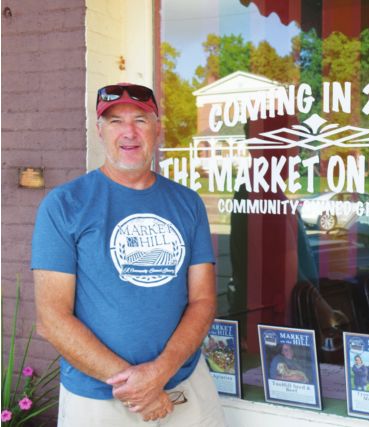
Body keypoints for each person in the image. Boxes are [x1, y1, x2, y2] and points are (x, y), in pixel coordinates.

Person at [31, 83, 227, 426]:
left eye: (140, 119)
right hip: (98, 398)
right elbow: (51, 319)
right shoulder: (64, 205)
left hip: (185, 386)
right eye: (115, 121)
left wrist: (158, 374)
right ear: (100, 130)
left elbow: (203, 301)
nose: (129, 132)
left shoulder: (188, 203)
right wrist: (137, 386)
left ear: (157, 128)